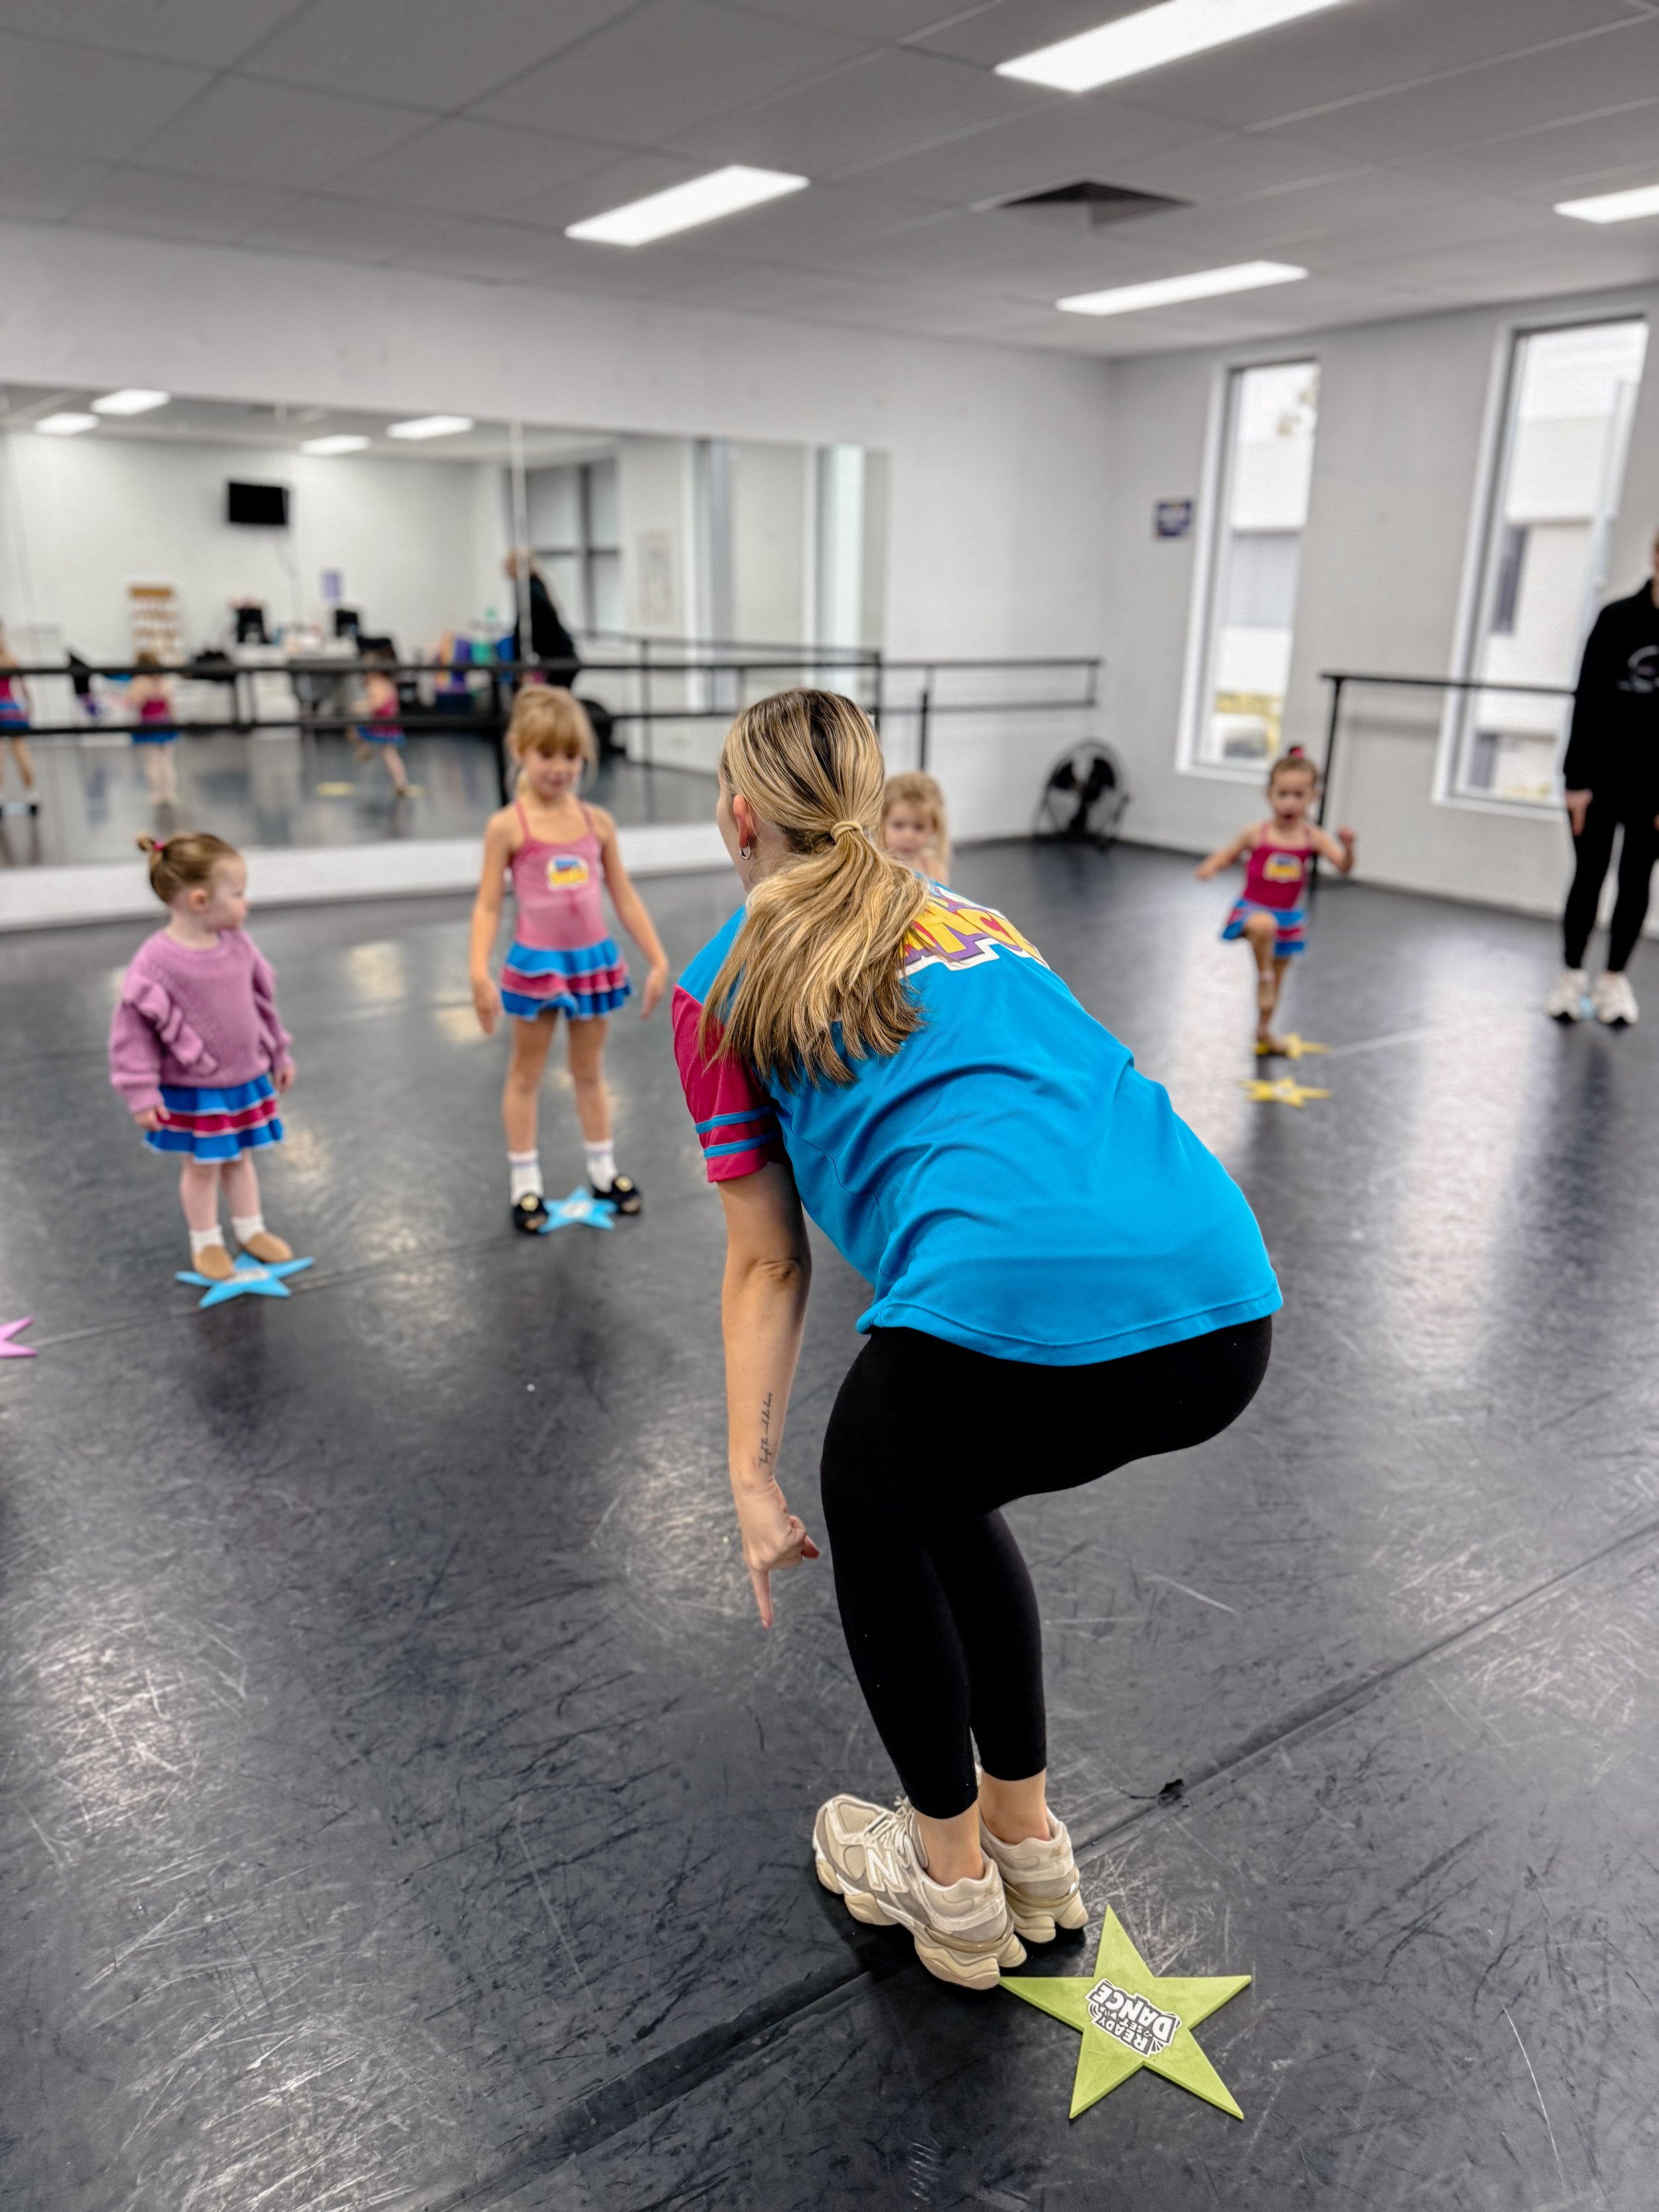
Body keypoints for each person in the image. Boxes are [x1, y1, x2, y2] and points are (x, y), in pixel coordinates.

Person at [672, 690, 1280, 1992]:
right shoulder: (980, 918)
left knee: (870, 1488)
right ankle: (1024, 1842)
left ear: (738, 816)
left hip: (1018, 1299)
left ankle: (945, 1888)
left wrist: (748, 1474)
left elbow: (768, 1256)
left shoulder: (714, 978)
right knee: (935, 1490)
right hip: (1224, 1296)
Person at [469, 687, 668, 1229]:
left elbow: (623, 894)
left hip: (591, 963)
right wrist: (477, 971)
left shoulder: (597, 822)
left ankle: (604, 1170)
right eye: (546, 754)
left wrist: (656, 958)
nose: (559, 767)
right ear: (519, 750)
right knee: (526, 1073)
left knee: (588, 1070)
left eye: (570, 756)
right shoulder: (508, 826)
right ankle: (525, 1182)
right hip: (537, 966)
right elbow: (488, 902)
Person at [109, 832, 296, 1282]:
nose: (245, 904)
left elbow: (261, 1002)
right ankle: (206, 1239)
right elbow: (132, 1033)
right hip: (195, 1090)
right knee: (202, 1167)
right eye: (237, 894)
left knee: (240, 1159)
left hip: (244, 1079)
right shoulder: (157, 961)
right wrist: (140, 1091)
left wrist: (278, 1050)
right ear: (198, 900)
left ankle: (250, 1228)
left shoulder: (238, 944)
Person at [1546, 530, 1659, 1027]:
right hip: (1599, 780)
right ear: (1655, 557)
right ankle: (1570, 977)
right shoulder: (1616, 620)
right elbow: (1587, 700)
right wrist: (1575, 781)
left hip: (1653, 788)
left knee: (1637, 881)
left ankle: (1614, 980)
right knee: (1588, 877)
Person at [1196, 748, 1355, 1055]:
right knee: (1263, 926)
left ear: (1313, 797)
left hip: (1288, 917)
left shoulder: (1314, 837)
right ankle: (1264, 974)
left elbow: (1344, 867)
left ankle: (1264, 1031)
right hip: (1252, 910)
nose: (1290, 802)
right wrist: (1212, 866)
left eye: (1299, 795)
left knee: (1279, 981)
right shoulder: (1257, 833)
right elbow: (1229, 852)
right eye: (1283, 794)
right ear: (1269, 795)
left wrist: (1348, 848)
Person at [504, 552, 579, 684]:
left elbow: (524, 626)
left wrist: (518, 662)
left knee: (554, 698)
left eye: (508, 566)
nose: (506, 571)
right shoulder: (535, 585)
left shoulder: (530, 590)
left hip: (559, 657)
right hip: (559, 655)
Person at [353, 653, 409, 796]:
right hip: (389, 723)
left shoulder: (377, 684)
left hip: (382, 725)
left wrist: (361, 706)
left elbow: (377, 704)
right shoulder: (389, 683)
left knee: (355, 731)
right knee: (390, 754)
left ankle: (365, 749)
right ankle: (400, 782)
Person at [882, 769, 951, 883]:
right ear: (881, 822)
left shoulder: (935, 869)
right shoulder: (873, 868)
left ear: (933, 827)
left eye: (919, 827)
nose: (908, 836)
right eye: (898, 826)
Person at [129, 650, 180, 804]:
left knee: (153, 762)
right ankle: (170, 794)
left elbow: (136, 703)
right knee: (168, 761)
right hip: (165, 722)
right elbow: (171, 705)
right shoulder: (163, 681)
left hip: (148, 723)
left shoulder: (140, 682)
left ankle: (157, 794)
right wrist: (174, 722)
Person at [0, 621, 38, 814]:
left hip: (3, 708)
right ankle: (32, 793)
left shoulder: (11, 658)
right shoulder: (11, 658)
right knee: (21, 751)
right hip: (12, 707)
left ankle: (1, 796)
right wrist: (29, 705)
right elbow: (24, 686)